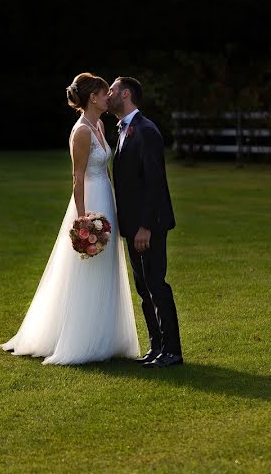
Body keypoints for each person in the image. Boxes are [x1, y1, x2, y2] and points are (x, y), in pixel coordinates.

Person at [1, 73, 140, 365]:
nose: (108, 98)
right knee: (87, 269)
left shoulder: (100, 125)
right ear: (93, 97)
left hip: (106, 197)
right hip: (90, 201)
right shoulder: (82, 131)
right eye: (104, 94)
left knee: (106, 267)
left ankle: (105, 335)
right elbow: (77, 176)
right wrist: (82, 219)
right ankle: (81, 338)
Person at [107, 76, 183, 368]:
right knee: (144, 288)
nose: (108, 95)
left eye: (112, 90)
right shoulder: (125, 130)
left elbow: (154, 182)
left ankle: (172, 350)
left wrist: (145, 226)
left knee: (156, 284)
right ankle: (156, 347)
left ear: (126, 94)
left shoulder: (146, 131)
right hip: (133, 226)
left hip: (148, 226)